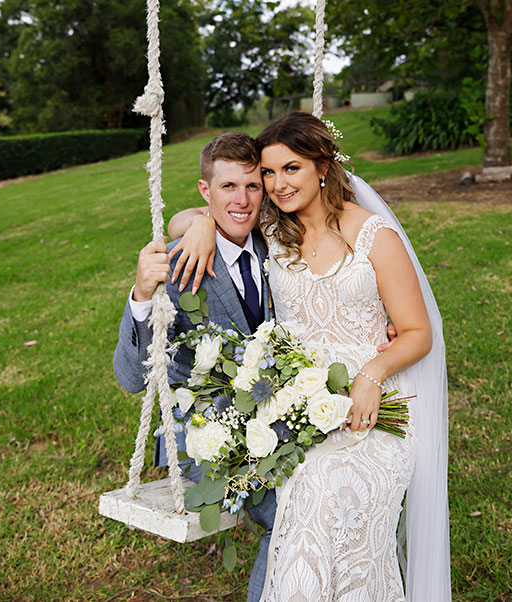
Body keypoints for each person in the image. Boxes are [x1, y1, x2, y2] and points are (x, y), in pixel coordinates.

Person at [168, 111, 451, 601]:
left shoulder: (373, 236)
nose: (277, 185)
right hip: (298, 412)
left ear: (323, 167)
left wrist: (372, 372)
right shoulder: (273, 233)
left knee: (334, 491)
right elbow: (206, 211)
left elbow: (417, 332)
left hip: (375, 411)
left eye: (291, 169)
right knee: (311, 488)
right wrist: (196, 225)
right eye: (269, 174)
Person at [112, 132, 279, 601]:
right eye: (228, 187)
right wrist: (142, 297)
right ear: (206, 191)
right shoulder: (180, 259)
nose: (242, 200)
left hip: (270, 415)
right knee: (287, 511)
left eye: (252, 186)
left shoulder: (272, 245)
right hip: (201, 432)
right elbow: (130, 377)